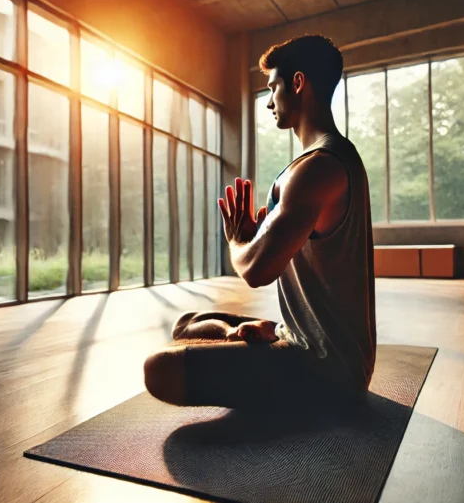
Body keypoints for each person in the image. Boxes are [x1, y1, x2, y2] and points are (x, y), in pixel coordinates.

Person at [142, 35, 376, 410]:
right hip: (306, 342)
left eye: (274, 88)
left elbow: (255, 270)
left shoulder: (318, 168)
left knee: (159, 369)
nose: (269, 101)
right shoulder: (336, 158)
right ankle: (253, 337)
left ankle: (265, 356)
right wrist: (258, 241)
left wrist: (238, 242)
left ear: (298, 84)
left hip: (329, 372)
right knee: (187, 323)